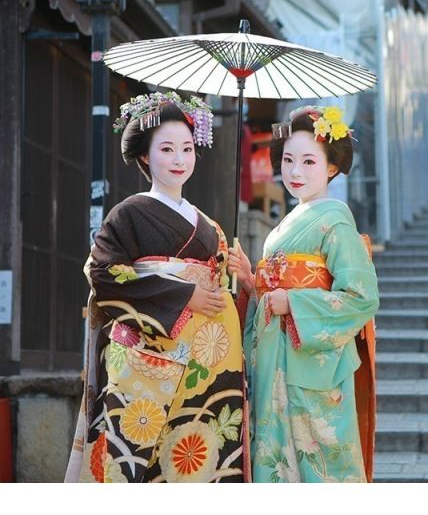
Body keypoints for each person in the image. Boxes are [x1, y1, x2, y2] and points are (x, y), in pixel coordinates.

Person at [65, 92, 248, 483]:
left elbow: (224, 295)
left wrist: (240, 278)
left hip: (207, 362)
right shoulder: (127, 214)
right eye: (167, 149)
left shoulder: (210, 226)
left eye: (187, 148)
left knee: (196, 455)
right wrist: (184, 294)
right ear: (145, 157)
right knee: (136, 455)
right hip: (145, 357)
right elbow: (104, 273)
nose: (180, 159)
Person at [227, 105, 380, 483]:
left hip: (313, 364)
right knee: (275, 459)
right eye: (289, 160)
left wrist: (293, 301)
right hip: (274, 361)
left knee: (322, 466)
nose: (296, 172)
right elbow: (269, 297)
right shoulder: (282, 227)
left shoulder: (334, 221)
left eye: (309, 161)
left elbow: (361, 297)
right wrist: (251, 281)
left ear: (331, 167)